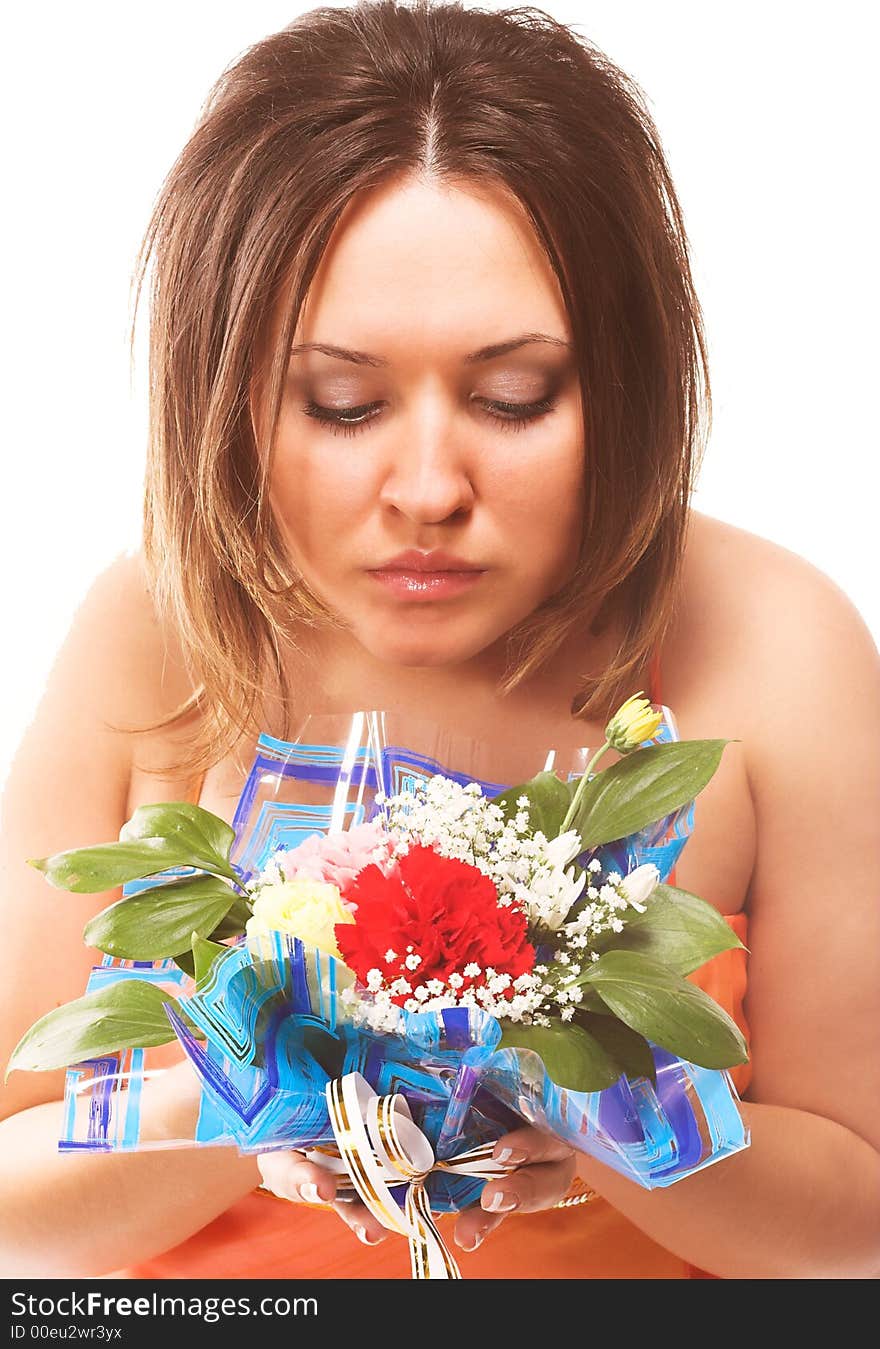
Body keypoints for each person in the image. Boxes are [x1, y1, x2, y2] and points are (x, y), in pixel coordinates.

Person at [1, 0, 878, 1281]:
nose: (427, 486)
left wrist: (585, 1109)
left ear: (625, 380)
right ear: (227, 388)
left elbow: (858, 1223)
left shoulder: (777, 643)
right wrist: (280, 1084)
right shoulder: (152, 622)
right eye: (342, 403)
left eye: (513, 396)